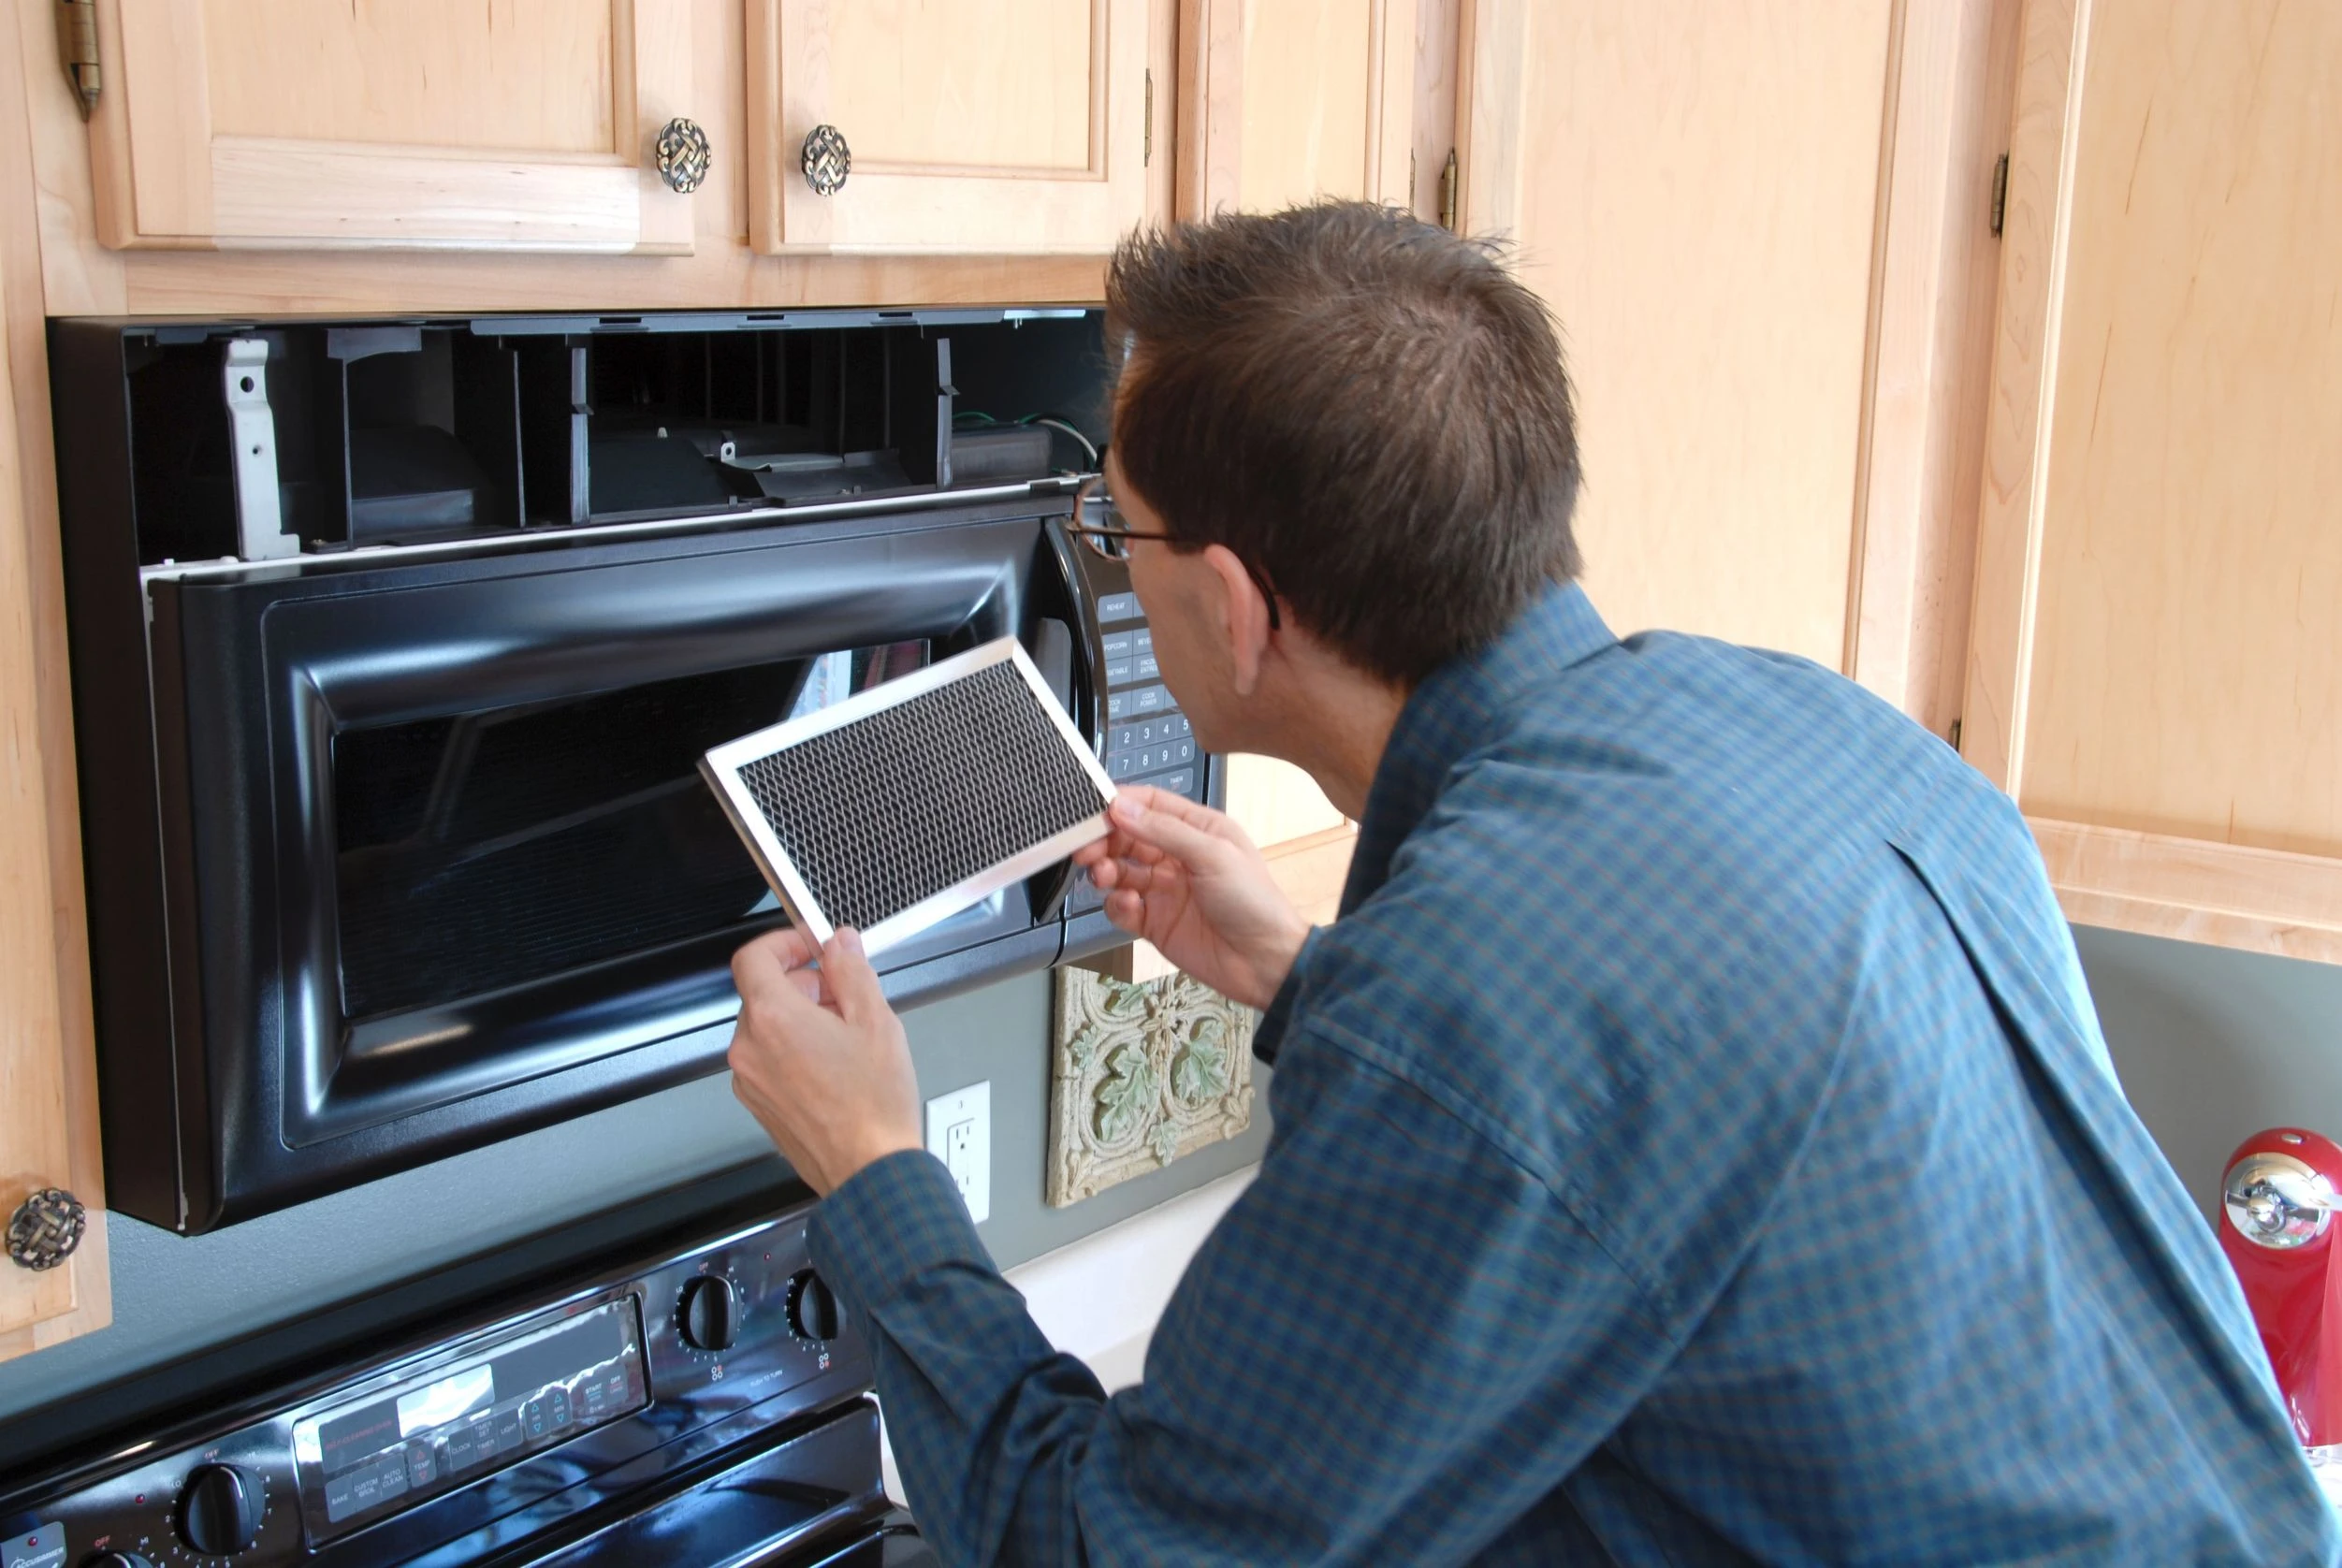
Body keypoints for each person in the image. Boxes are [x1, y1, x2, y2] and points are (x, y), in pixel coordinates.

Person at [723, 202, 2337, 1565]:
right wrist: (1309, 974)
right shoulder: (1809, 723)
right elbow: (1645, 1104)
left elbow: (1113, 1547)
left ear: (1233, 605)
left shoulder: (1474, 1007)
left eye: (1112, 529)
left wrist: (871, 1166)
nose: (1112, 562)